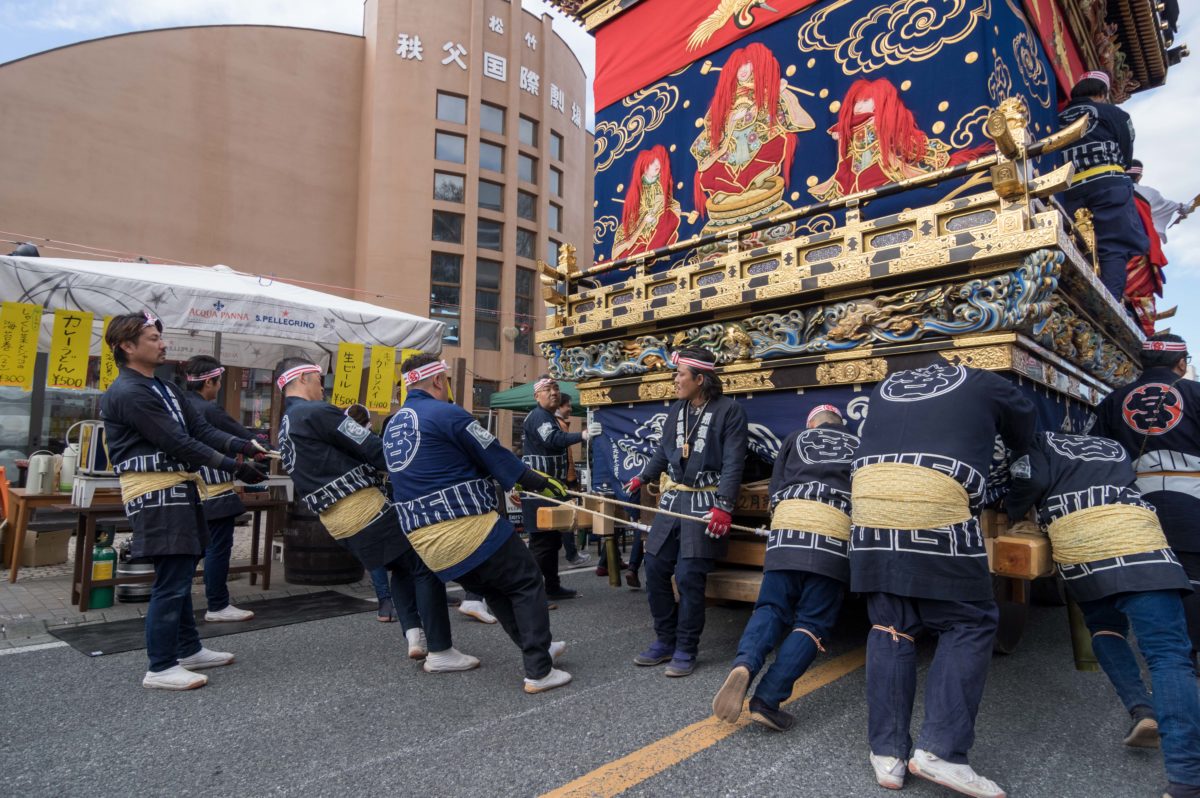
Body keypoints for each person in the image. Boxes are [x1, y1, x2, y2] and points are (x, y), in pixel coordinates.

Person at [850, 363, 1034, 796]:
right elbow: (1025, 430)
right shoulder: (984, 381)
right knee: (969, 619)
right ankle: (942, 752)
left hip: (868, 500)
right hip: (932, 493)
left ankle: (888, 754)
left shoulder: (886, 385)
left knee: (890, 625)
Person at [1005, 431, 1200, 798]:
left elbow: (1032, 479)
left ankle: (1141, 708)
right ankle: (1186, 777)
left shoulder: (1036, 442)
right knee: (1169, 656)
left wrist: (1013, 509)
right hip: (1141, 542)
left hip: (1084, 548)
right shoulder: (1113, 446)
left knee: (1105, 627)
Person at [382, 353, 572, 693]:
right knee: (527, 580)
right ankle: (539, 671)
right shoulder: (447, 413)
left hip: (424, 540)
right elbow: (493, 452)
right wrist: (536, 481)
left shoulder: (393, 425)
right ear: (438, 380)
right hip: (465, 526)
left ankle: (539, 649)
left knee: (496, 588)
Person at [275, 357, 477, 672]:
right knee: (426, 563)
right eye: (318, 379)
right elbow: (373, 447)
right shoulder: (317, 412)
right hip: (362, 509)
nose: (322, 387)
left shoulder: (287, 423)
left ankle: (414, 634)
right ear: (302, 378)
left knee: (402, 566)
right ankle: (441, 650)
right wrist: (419, 464)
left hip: (336, 521)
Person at [101, 312, 268, 690]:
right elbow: (177, 442)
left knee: (180, 572)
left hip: (180, 487)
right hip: (154, 491)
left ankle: (188, 649)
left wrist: (244, 447)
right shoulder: (128, 392)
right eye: (152, 338)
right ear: (126, 346)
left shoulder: (164, 387)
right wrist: (234, 467)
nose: (162, 344)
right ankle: (160, 666)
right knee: (172, 579)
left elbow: (200, 429)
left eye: (160, 337)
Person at [712, 404, 858, 731]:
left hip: (787, 532)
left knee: (771, 608)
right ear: (840, 425)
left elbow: (775, 488)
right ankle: (767, 699)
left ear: (811, 424)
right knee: (812, 622)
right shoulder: (859, 445)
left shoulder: (794, 438)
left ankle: (745, 664)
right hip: (832, 537)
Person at [624, 348, 748, 677]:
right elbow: (663, 451)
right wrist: (643, 477)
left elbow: (734, 462)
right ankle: (665, 640)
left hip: (705, 502)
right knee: (654, 566)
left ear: (700, 379)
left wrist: (724, 506)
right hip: (672, 501)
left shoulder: (730, 411)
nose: (675, 380)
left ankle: (686, 648)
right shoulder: (676, 409)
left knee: (690, 577)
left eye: (680, 375)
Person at [1094, 334, 1200, 663]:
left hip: (1136, 502)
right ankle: (1188, 654)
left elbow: (1098, 455)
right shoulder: (1196, 393)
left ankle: (1165, 654)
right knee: (1193, 576)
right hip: (1193, 498)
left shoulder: (1113, 400)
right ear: (1181, 363)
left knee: (1151, 576)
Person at [180, 355, 261, 623]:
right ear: (210, 382)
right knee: (217, 548)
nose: (219, 386)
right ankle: (217, 604)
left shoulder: (179, 405)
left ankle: (177, 604)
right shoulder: (209, 410)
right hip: (213, 488)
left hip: (185, 488)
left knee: (192, 551)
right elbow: (241, 436)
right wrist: (259, 447)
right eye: (218, 381)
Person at [1056, 70, 1147, 301]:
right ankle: (1109, 303)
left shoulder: (1057, 118)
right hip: (1109, 186)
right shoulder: (1115, 114)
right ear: (1104, 93)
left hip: (1069, 191)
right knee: (1114, 246)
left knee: (1074, 246)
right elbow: (1126, 156)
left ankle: (1073, 300)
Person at [521, 375, 600, 601]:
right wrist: (582, 435)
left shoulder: (548, 416)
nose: (554, 393)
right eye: (547, 389)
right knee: (541, 543)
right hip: (538, 490)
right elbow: (553, 439)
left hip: (550, 488)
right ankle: (532, 593)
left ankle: (552, 586)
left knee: (552, 540)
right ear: (537, 396)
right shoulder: (539, 416)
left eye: (555, 388)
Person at [555, 393, 590, 568]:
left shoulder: (558, 423)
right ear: (559, 406)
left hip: (557, 478)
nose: (570, 409)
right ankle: (572, 554)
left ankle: (570, 553)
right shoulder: (560, 425)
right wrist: (571, 477)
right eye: (567, 405)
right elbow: (567, 455)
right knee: (567, 516)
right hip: (563, 479)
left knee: (561, 517)